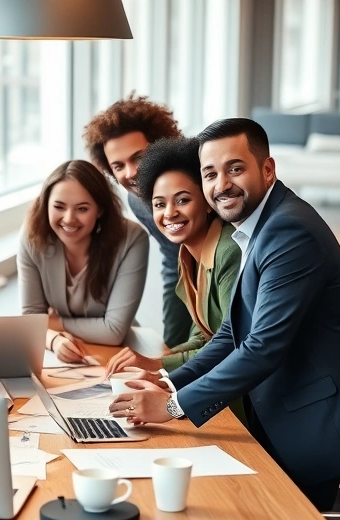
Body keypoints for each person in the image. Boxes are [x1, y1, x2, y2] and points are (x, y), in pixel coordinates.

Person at [109, 118, 340, 510]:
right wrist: (167, 380)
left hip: (321, 423)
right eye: (210, 174)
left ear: (267, 170)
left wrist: (172, 406)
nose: (222, 185)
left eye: (235, 169)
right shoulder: (259, 225)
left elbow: (262, 347)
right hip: (290, 409)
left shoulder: (288, 231)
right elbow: (233, 330)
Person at [102, 137, 247, 427]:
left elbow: (231, 343)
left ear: (207, 203)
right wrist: (153, 367)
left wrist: (161, 370)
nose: (169, 213)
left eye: (182, 200)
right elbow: (201, 337)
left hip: (244, 400)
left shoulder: (229, 252)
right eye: (159, 204)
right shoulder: (189, 256)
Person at [83, 94, 191, 348]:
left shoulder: (200, 187)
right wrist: (172, 345)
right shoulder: (138, 203)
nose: (130, 172)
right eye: (118, 166)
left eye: (138, 158)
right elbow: (174, 259)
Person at [18, 160, 149, 363]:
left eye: (82, 209)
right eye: (59, 207)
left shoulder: (132, 239)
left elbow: (114, 331)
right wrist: (53, 339)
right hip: (63, 355)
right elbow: (31, 320)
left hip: (119, 355)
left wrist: (56, 322)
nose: (69, 219)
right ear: (46, 206)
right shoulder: (32, 236)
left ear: (100, 210)